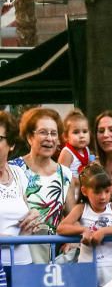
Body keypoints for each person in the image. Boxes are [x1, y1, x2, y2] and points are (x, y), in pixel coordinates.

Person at [11, 107, 77, 262]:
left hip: (50, 258)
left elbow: (72, 218)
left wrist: (71, 240)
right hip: (17, 255)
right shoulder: (13, 169)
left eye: (53, 133)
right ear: (29, 137)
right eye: (43, 132)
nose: (49, 138)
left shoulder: (64, 174)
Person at [58, 164, 112, 287]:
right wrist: (83, 230)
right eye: (97, 192)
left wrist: (104, 232)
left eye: (107, 191)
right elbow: (61, 228)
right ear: (84, 191)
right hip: (86, 267)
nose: (103, 197)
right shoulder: (81, 209)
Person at [0, 111, 42, 287]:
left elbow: (25, 209)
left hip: (23, 265)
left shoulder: (18, 173)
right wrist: (8, 240)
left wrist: (33, 215)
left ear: (11, 144)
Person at [57, 109, 95, 179]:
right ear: (66, 136)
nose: (81, 136)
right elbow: (61, 176)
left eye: (85, 131)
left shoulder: (86, 149)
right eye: (76, 132)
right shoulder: (67, 153)